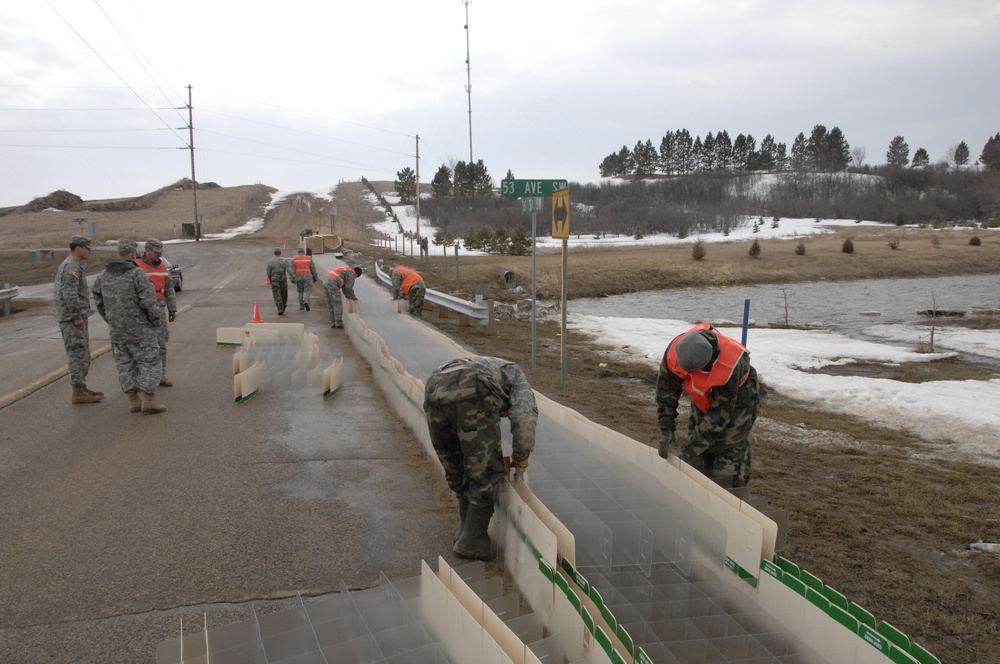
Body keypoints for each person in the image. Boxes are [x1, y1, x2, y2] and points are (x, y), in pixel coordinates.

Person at [423, 355, 538, 561]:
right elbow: (524, 418)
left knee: (456, 464)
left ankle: (464, 530)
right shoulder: (516, 376)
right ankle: (472, 541)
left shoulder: (491, 366)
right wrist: (521, 459)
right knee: (486, 471)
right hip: (474, 387)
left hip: (434, 386)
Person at [656, 324, 760, 488]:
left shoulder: (730, 367)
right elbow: (666, 390)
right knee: (699, 448)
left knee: (728, 446)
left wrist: (688, 451)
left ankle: (731, 488)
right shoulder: (675, 351)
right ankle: (698, 485)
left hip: (738, 398)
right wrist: (666, 427)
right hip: (702, 395)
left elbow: (718, 417)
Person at [92, 238, 166, 414]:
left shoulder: (103, 276)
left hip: (117, 331)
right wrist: (156, 322)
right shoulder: (136, 274)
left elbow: (98, 301)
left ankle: (133, 400)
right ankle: (149, 400)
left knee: (125, 364)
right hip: (140, 329)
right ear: (133, 254)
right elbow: (149, 302)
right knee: (150, 362)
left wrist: (111, 320)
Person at [53, 234, 103, 404]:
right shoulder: (70, 267)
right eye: (88, 248)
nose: (90, 251)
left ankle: (81, 386)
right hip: (72, 319)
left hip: (75, 317)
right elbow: (69, 294)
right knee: (77, 353)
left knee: (82, 353)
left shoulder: (75, 265)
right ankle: (78, 390)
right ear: (78, 248)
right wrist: (77, 316)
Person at [135, 238, 177, 387]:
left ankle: (160, 376)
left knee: (161, 346)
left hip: (158, 312)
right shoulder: (136, 266)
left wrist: (172, 308)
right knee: (142, 349)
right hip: (141, 314)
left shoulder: (163, 267)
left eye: (161, 253)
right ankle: (142, 378)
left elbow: (169, 289)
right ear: (148, 250)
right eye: (156, 252)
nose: (159, 256)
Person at [265, 247, 293, 315]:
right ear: (280, 253)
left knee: (276, 293)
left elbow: (268, 271)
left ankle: (280, 307)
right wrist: (293, 277)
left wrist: (270, 278)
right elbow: (289, 270)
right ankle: (283, 305)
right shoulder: (284, 260)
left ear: (274, 253)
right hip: (283, 277)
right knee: (284, 292)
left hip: (274, 277)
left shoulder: (271, 261)